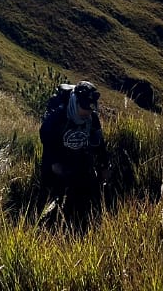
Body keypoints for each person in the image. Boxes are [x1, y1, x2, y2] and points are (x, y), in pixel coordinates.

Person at [37, 80, 107, 230]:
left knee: (82, 196)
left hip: (79, 160)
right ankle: (45, 226)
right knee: (51, 196)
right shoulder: (58, 117)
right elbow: (47, 142)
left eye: (91, 108)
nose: (88, 112)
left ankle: (80, 225)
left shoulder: (92, 119)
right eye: (85, 108)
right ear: (76, 102)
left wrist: (103, 165)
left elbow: (99, 143)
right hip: (56, 163)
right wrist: (54, 163)